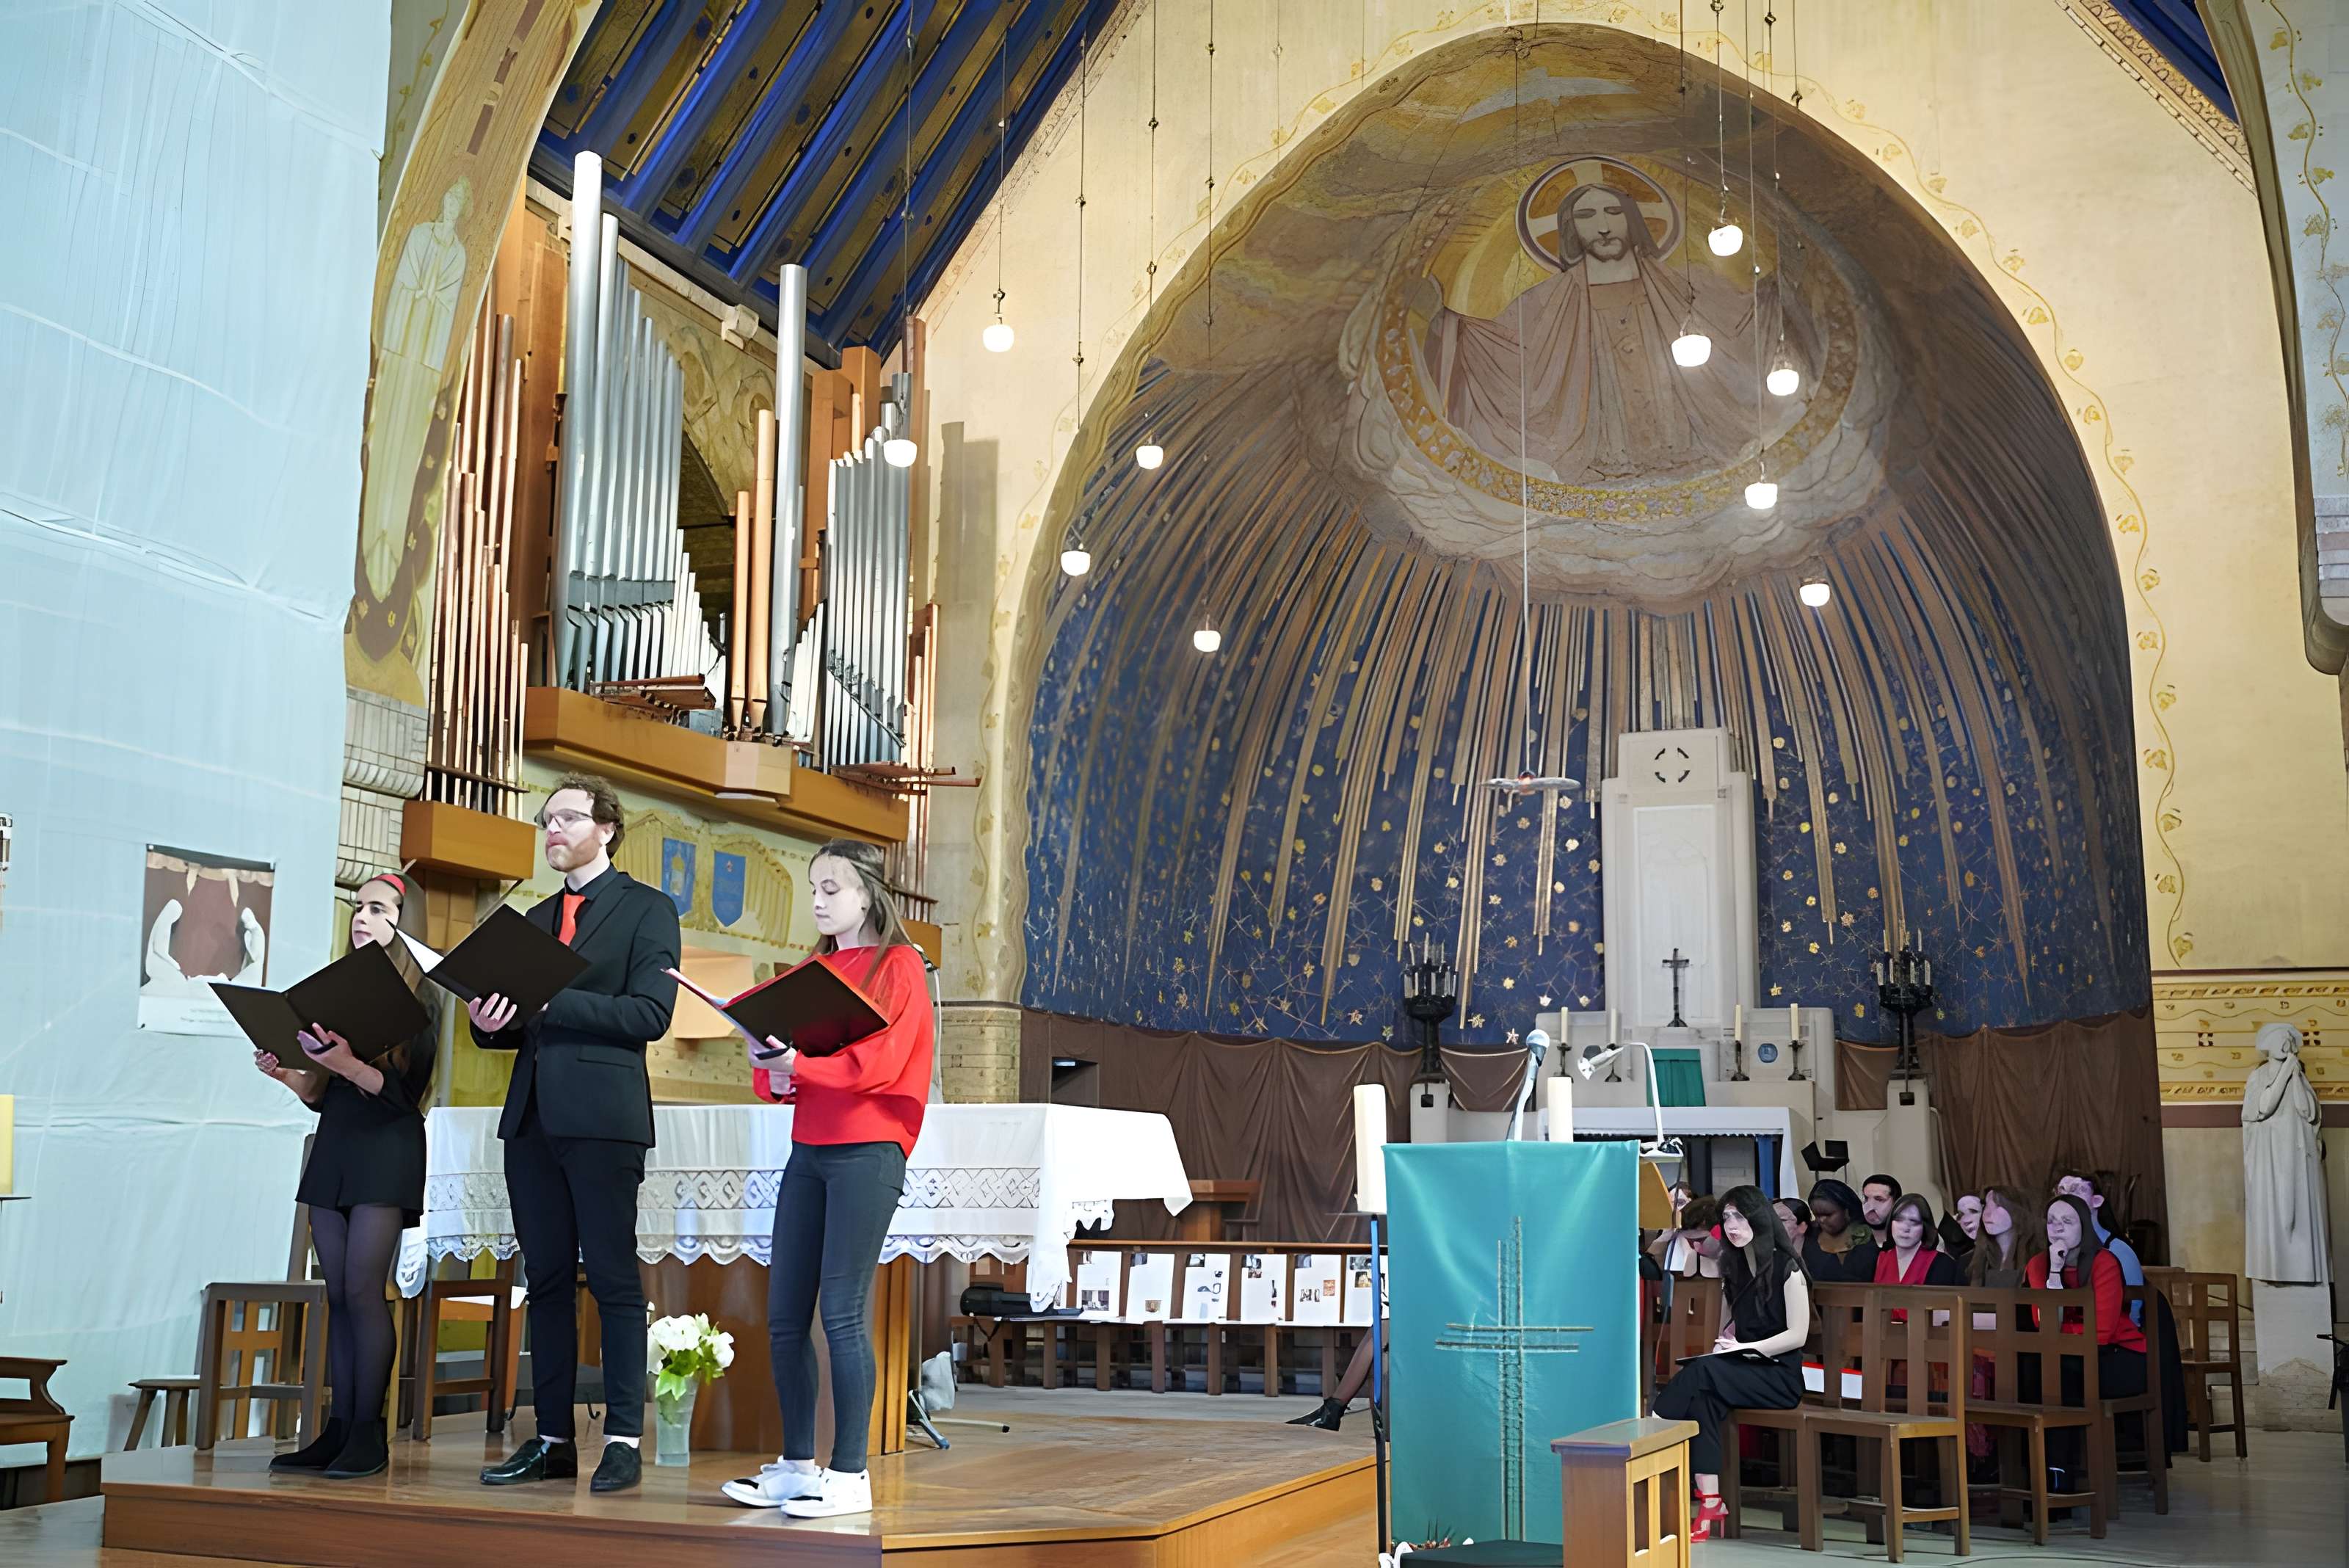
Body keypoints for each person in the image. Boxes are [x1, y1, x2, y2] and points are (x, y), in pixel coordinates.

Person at [472, 775, 679, 1495]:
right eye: (547, 819)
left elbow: (651, 1014)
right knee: (548, 1282)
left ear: (606, 828)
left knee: (616, 1280)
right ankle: (553, 1440)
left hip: (602, 1117)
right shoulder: (529, 921)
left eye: (566, 817)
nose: (552, 829)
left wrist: (553, 999)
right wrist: (489, 1019)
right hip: (530, 1118)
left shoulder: (646, 910)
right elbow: (499, 1027)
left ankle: (622, 1438)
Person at [721, 840, 934, 1520]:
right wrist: (769, 1055)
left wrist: (798, 1065)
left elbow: (882, 1061)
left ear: (868, 894)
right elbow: (783, 1076)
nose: (818, 901)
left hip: (868, 1151)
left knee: (841, 1314)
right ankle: (795, 1466)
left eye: (832, 888)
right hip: (809, 1150)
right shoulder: (814, 969)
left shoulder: (899, 966)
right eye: (814, 888)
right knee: (785, 1318)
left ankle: (850, 1475)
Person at [255, 873, 437, 1481]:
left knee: (363, 1290)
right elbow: (318, 1091)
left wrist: (348, 1063)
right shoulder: (335, 990)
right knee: (335, 1294)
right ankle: (334, 1431)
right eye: (358, 907)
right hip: (337, 1144)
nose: (362, 917)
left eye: (378, 909)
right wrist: (287, 1073)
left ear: (402, 923)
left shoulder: (420, 997)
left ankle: (369, 1433)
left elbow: (403, 1094)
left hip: (387, 1147)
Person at [1650, 1186, 1811, 1542]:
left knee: (1701, 1374)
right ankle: (1710, 1502)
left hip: (1779, 1377)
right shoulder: (1733, 1266)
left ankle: (1654, 1427)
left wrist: (1746, 1347)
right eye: (1726, 1218)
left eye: (1740, 1216)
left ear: (1758, 1218)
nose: (1732, 1225)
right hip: (1745, 1368)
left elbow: (1798, 1335)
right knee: (1703, 1398)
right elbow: (1728, 1327)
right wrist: (1724, 1347)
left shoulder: (1788, 1268)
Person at [2027, 1194, 2147, 1485]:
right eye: (2052, 1221)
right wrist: (2054, 1274)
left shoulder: (2103, 1262)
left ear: (2084, 1226)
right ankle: (2037, 1475)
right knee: (2029, 1375)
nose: (2057, 1228)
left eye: (2067, 1221)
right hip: (2068, 1357)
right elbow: (2043, 1324)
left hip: (2118, 1355)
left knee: (2058, 1378)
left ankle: (2058, 1476)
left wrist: (2060, 1335)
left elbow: (2102, 1332)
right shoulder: (2038, 1265)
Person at [2055, 1171, 2145, 1324]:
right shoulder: (2057, 1252)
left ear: (2096, 1201)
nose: (2068, 1197)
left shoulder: (2118, 1250)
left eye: (2078, 1190)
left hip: (2114, 1338)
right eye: (2062, 1191)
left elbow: (2134, 1311)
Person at [1872, 1192, 1964, 1290]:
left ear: (1925, 1227)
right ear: (1891, 1223)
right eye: (1899, 1219)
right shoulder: (1875, 1260)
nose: (1905, 1228)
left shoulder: (1944, 1265)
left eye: (1914, 1222)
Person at [1968, 1186, 2041, 1288]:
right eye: (1986, 1205)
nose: (1987, 1213)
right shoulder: (1970, 1260)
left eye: (1998, 1205)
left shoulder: (2037, 1259)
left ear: (2017, 1211)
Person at [1804, 1178, 1866, 1280]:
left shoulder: (1866, 1241)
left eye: (1828, 1214)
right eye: (1817, 1215)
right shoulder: (1809, 1238)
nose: (1822, 1220)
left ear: (1847, 1211)